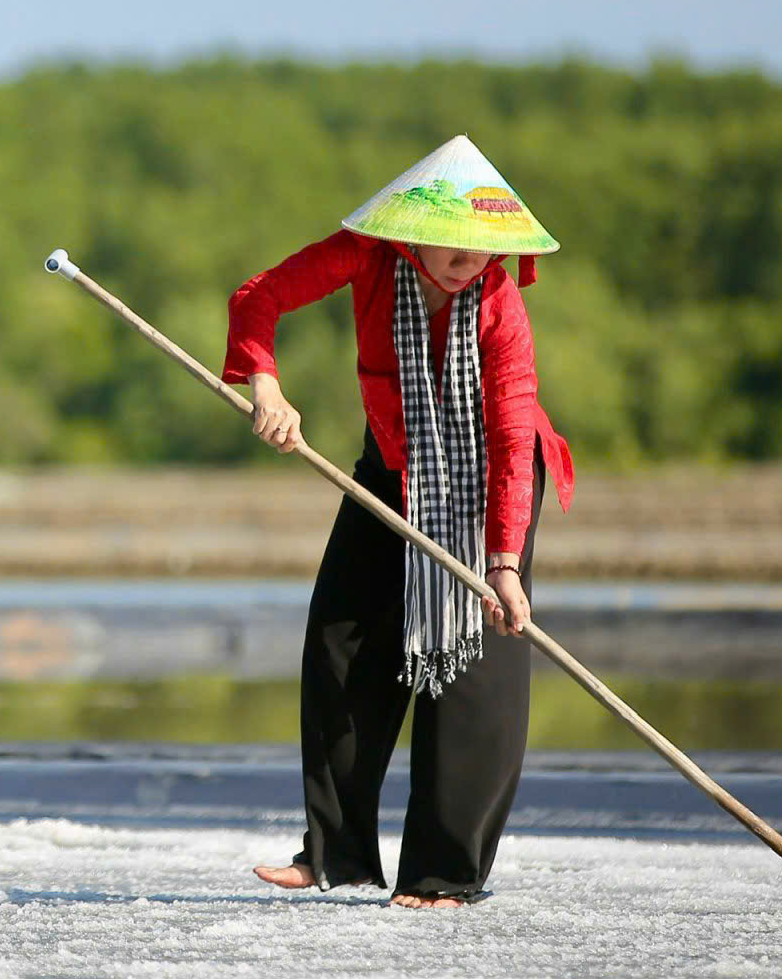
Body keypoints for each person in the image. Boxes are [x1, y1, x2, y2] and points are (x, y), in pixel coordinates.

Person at [222, 135, 576, 907]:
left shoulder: (501, 309)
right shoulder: (366, 258)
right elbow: (258, 296)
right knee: (340, 647)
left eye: (484, 246)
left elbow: (516, 435)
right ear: (411, 230)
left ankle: (443, 872)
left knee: (476, 666)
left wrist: (504, 566)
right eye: (452, 243)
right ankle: (332, 852)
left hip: (491, 481)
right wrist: (266, 385)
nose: (469, 259)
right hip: (392, 466)